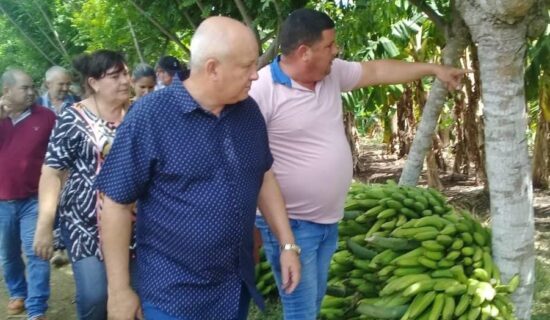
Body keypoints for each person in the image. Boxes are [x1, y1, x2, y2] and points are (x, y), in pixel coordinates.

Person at [249, 8, 469, 320]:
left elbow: (377, 71)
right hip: (292, 225)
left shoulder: (331, 74)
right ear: (304, 52)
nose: (336, 51)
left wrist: (435, 69)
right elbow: (252, 167)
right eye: (329, 46)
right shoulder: (262, 92)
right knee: (301, 312)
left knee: (312, 306)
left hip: (326, 222)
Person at [94, 16, 300, 320]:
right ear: (213, 67)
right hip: (172, 293)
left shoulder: (248, 111)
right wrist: (120, 290)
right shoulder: (150, 117)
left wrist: (287, 244)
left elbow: (264, 175)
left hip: (234, 287)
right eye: (246, 66)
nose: (255, 75)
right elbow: (115, 204)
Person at [33, 50, 131, 320]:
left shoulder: (136, 115)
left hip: (130, 222)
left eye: (126, 73)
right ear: (94, 82)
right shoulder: (72, 118)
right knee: (95, 296)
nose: (125, 80)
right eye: (115, 75)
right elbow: (52, 172)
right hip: (83, 222)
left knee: (127, 294)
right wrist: (44, 224)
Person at [0, 69, 55, 320]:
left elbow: (58, 156)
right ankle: (17, 292)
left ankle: (36, 308)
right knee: (8, 253)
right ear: (7, 91)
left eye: (32, 86)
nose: (31, 92)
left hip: (34, 199)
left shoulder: (46, 117)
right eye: (25, 88)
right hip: (2, 201)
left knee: (37, 252)